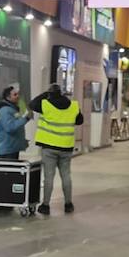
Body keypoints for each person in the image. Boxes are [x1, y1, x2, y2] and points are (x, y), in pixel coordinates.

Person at [30, 83, 82, 215]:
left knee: (49, 177)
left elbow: (32, 103)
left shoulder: (45, 104)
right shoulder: (73, 106)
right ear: (62, 93)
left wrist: (46, 94)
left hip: (49, 148)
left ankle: (46, 205)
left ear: (50, 94)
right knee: (66, 175)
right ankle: (68, 204)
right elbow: (79, 121)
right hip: (66, 147)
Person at [0, 85, 30, 160]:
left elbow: (15, 127)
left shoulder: (12, 110)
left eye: (18, 94)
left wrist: (22, 141)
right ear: (8, 97)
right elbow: (10, 128)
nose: (18, 96)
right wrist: (25, 119)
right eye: (15, 94)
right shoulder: (5, 110)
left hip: (12, 148)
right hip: (7, 151)